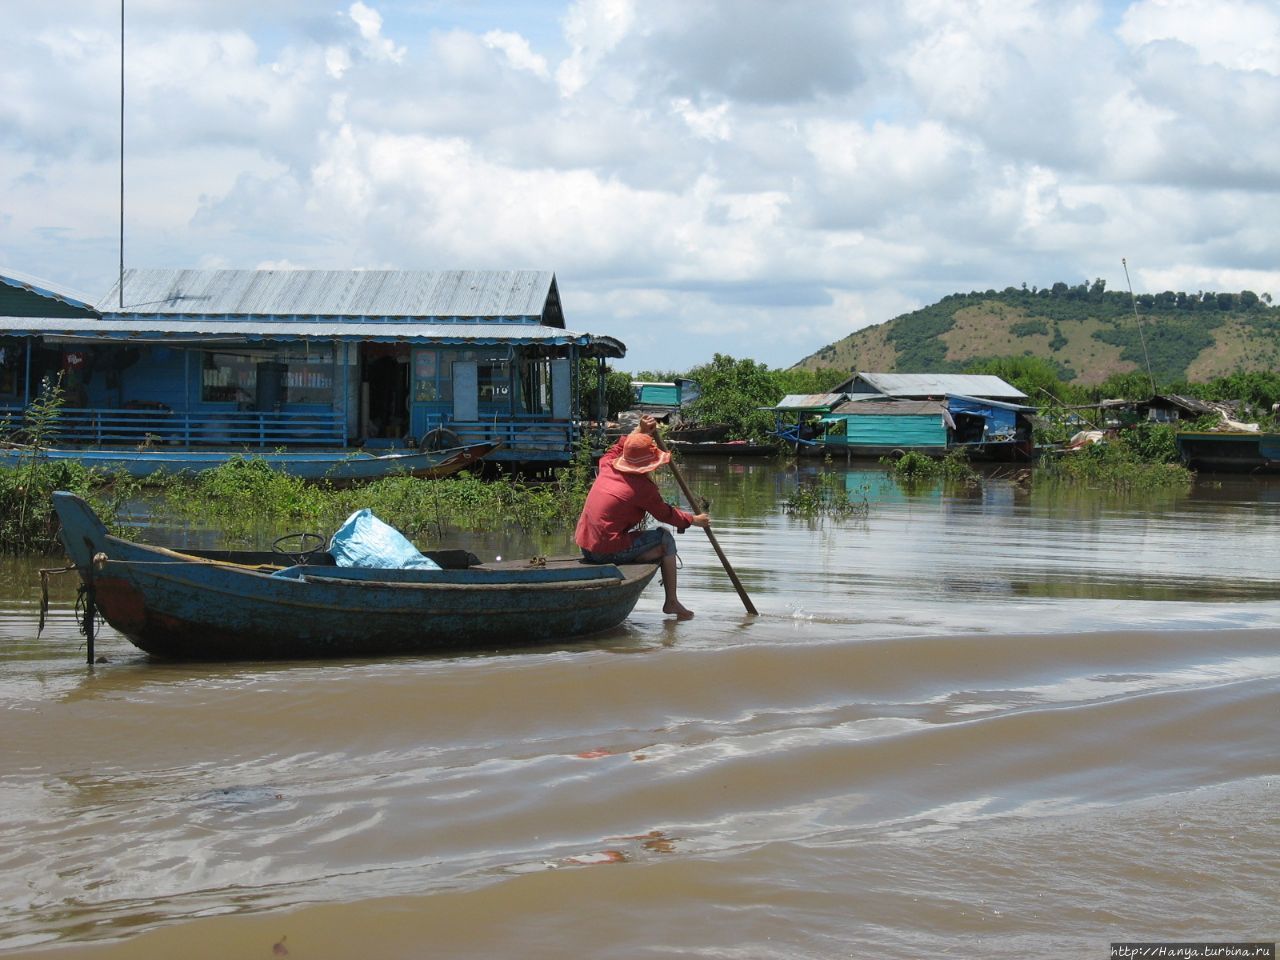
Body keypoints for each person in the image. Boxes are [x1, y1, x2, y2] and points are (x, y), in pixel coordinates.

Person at [575, 415, 710, 620]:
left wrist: (639, 430)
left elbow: (616, 449)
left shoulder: (608, 465)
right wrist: (693, 520)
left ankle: (645, 565)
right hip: (603, 551)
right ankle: (671, 602)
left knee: (655, 545)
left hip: (586, 547)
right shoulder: (641, 488)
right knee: (664, 539)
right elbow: (665, 513)